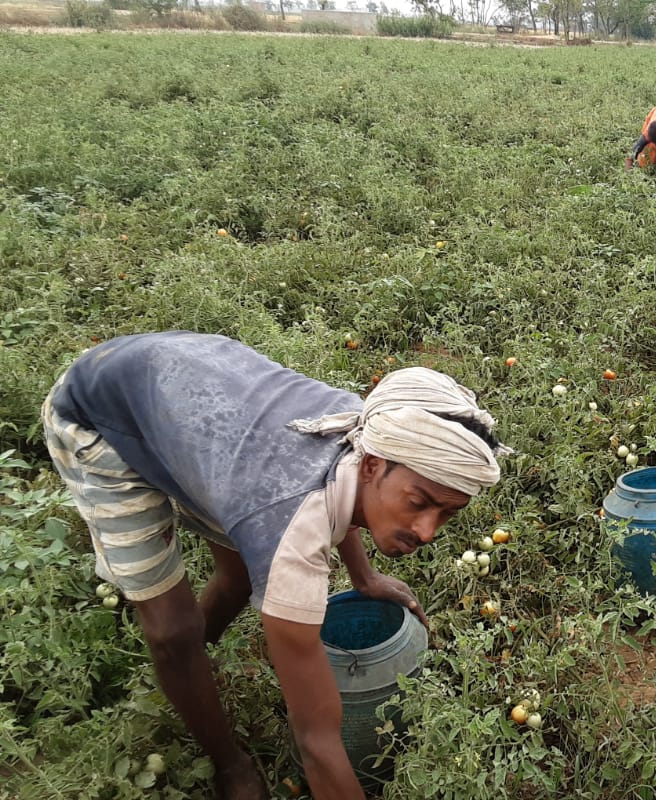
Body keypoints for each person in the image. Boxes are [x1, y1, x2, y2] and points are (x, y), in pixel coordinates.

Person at [42, 331, 509, 800]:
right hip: (101, 417)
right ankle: (227, 759)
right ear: (371, 465)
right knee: (171, 630)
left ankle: (194, 668)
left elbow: (338, 499)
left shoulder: (382, 431)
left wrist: (364, 577)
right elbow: (319, 742)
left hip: (200, 404)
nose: (428, 531)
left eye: (447, 512)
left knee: (246, 573)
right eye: (419, 503)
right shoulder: (296, 523)